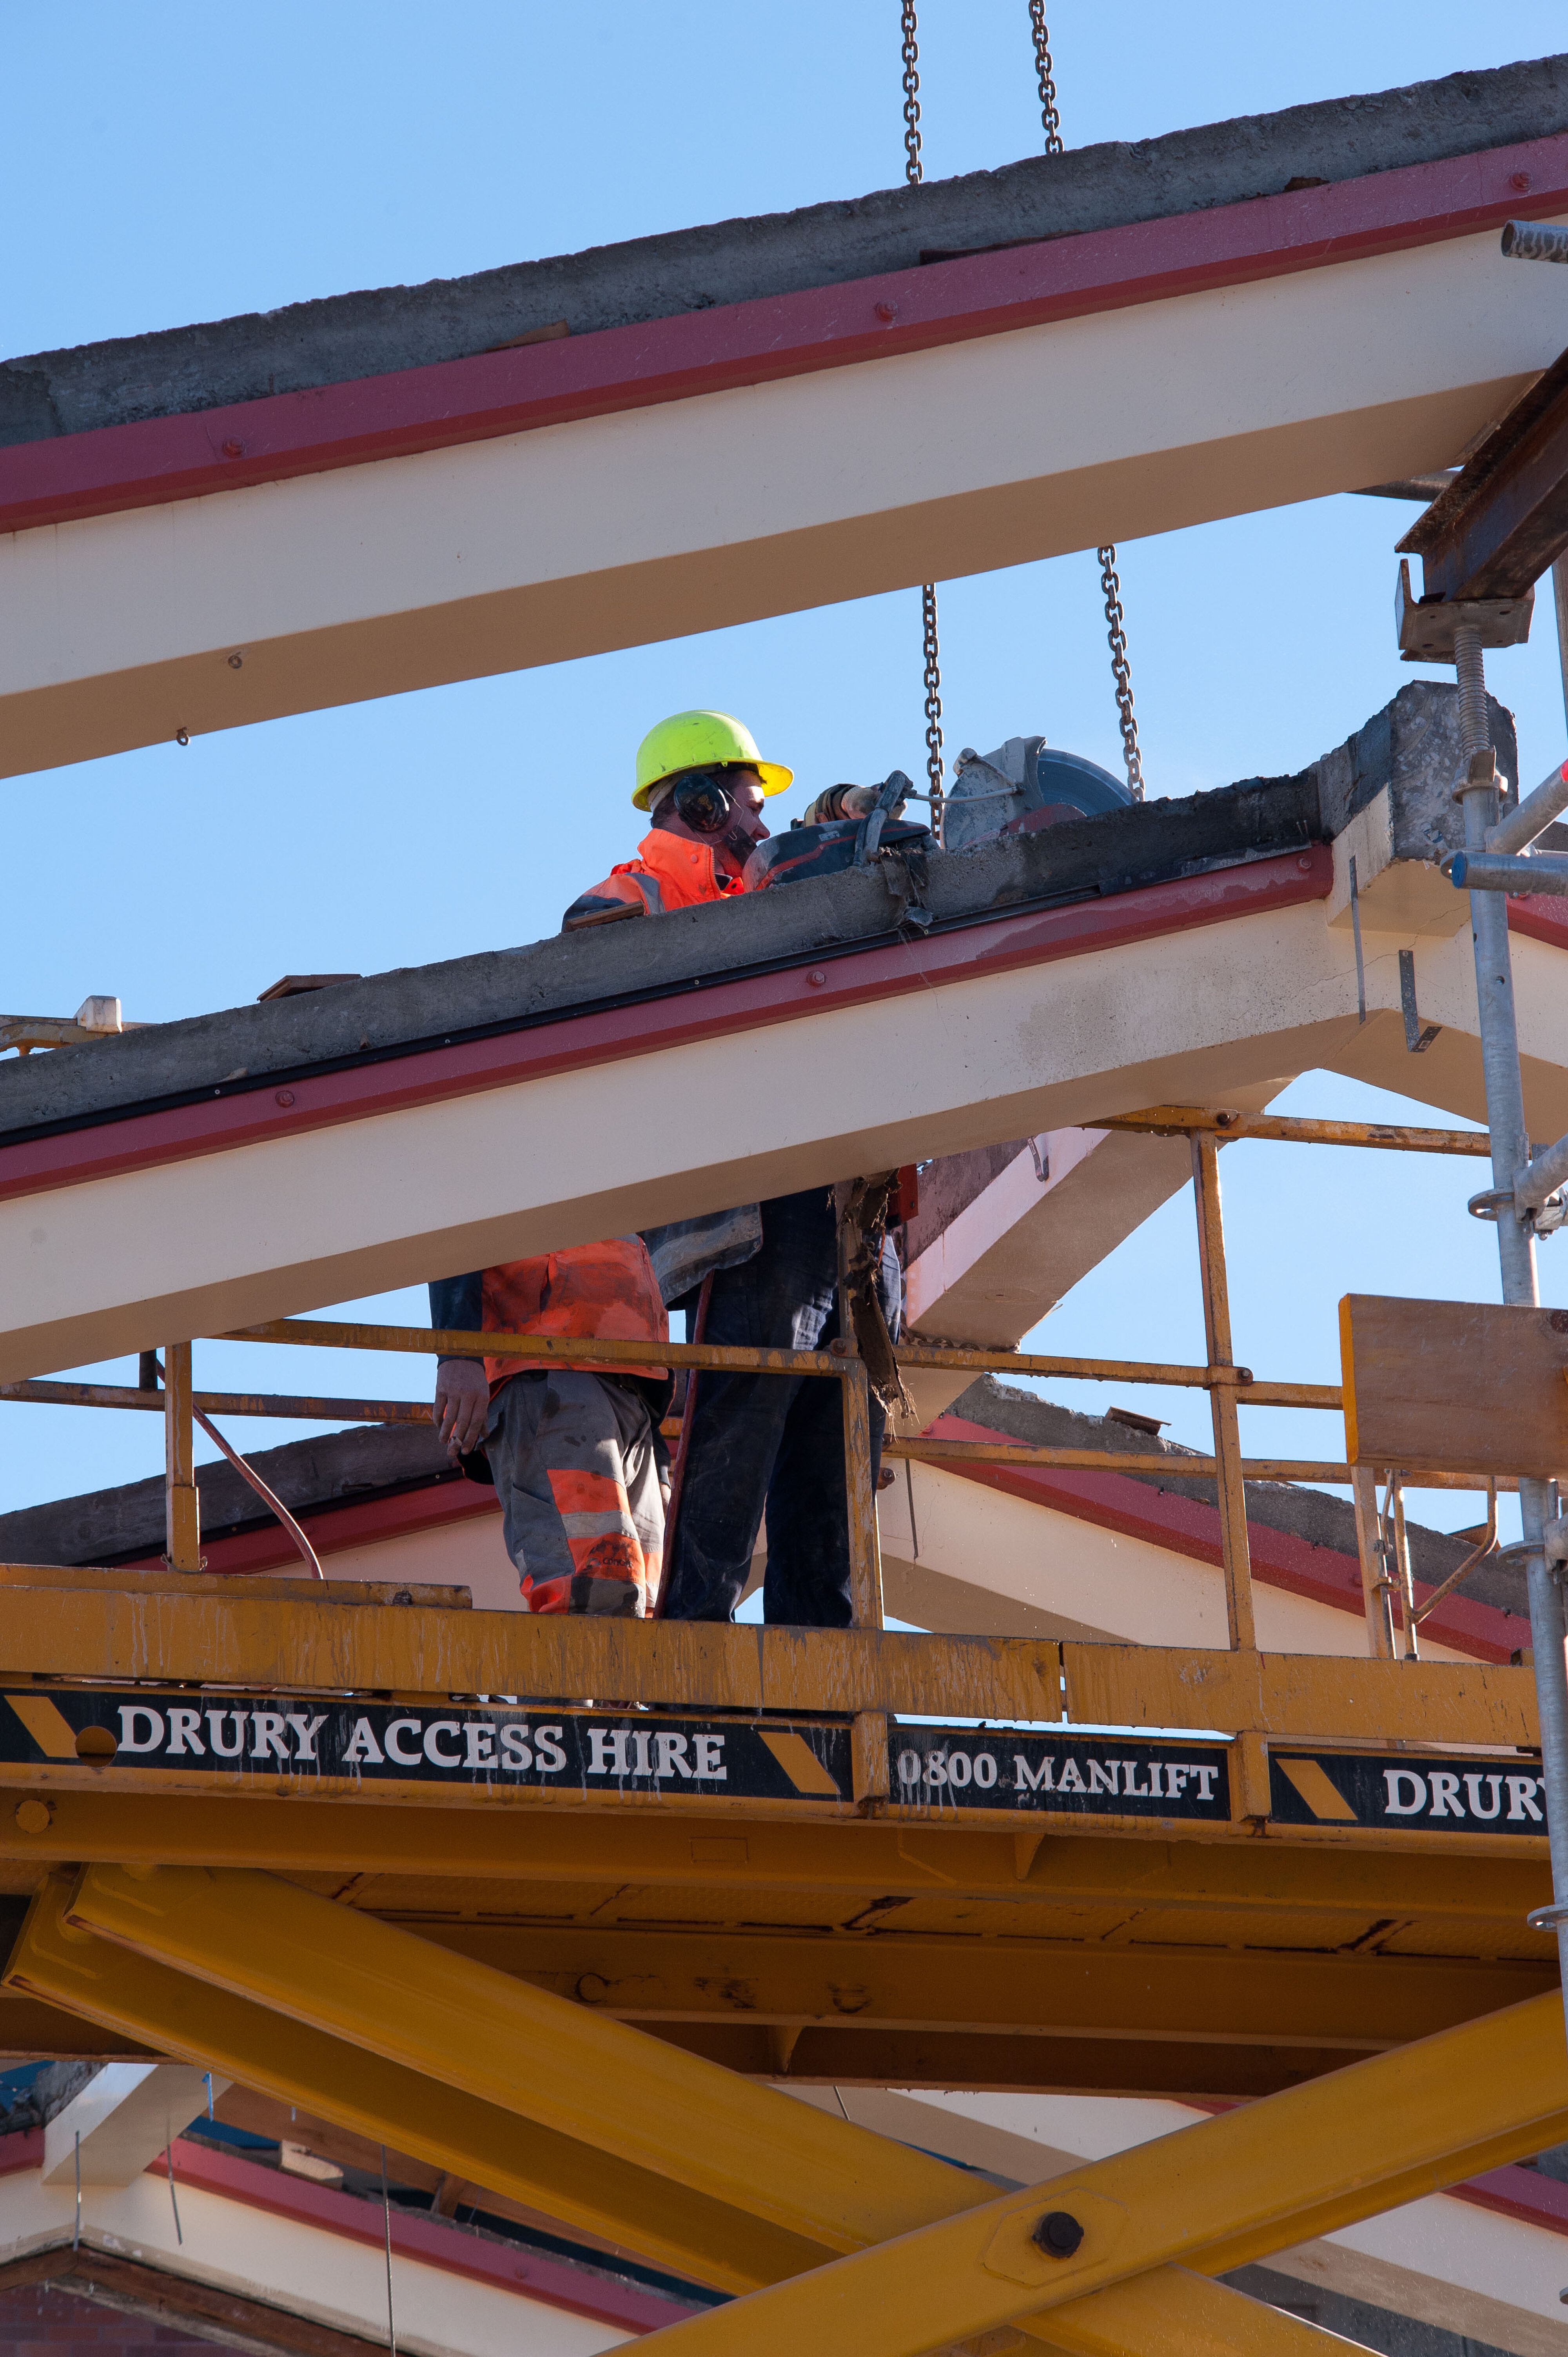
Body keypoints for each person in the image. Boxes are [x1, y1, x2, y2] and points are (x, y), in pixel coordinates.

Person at [566, 709, 902, 1630]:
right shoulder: (627, 901)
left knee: (837, 1459)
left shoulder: (770, 887)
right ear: (701, 799)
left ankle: (824, 1691)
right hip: (754, 1212)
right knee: (736, 1441)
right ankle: (689, 1664)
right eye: (750, 802)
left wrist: (837, 838)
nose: (762, 822)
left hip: (851, 1205)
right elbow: (592, 1008)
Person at [430, 1239, 670, 1617]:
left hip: (634, 1375)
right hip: (547, 1357)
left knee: (657, 1601)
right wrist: (457, 1353)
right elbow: (452, 1212)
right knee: (588, 1587)